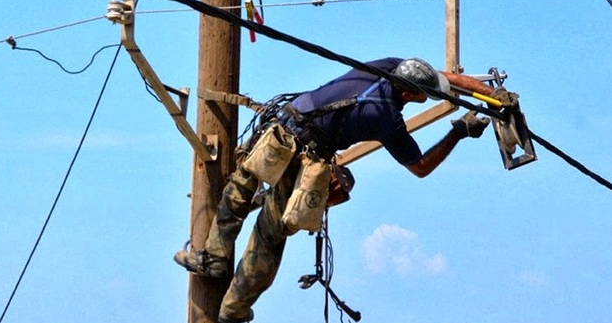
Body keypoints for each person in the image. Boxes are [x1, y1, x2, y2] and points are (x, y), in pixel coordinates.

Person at [174, 57, 518, 323]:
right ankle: (231, 312)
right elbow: (421, 167)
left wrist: (491, 96)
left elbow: (447, 79)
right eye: (422, 96)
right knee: (268, 235)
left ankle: (215, 258)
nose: (424, 99)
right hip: (304, 155)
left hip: (285, 129)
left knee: (239, 190)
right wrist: (458, 132)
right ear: (409, 93)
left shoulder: (389, 67)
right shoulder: (387, 119)